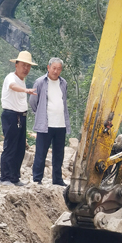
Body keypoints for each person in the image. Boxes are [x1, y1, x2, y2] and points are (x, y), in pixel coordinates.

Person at [29, 57, 72, 186]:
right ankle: (37, 179)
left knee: (59, 154)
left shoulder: (63, 83)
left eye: (59, 69)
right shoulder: (40, 82)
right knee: (41, 152)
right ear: (48, 68)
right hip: (45, 124)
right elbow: (32, 101)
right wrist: (41, 114)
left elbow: (63, 100)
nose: (56, 71)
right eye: (54, 68)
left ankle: (57, 179)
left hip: (60, 124)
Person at [0, 51, 37, 186]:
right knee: (10, 146)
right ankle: (5, 178)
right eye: (23, 65)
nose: (26, 68)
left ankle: (15, 177)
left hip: (21, 116)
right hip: (11, 115)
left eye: (28, 66)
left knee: (20, 148)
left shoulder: (22, 80)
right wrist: (26, 91)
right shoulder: (11, 77)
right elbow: (12, 87)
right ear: (16, 65)